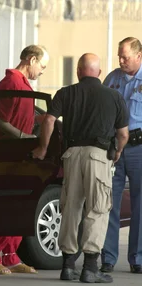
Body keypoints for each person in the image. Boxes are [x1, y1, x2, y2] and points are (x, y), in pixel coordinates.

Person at [32, 53, 129, 283]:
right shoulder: (114, 96)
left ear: (78, 71)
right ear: (99, 72)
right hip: (99, 156)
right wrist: (117, 153)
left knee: (71, 208)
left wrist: (43, 149)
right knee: (97, 209)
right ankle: (90, 268)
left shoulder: (65, 93)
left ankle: (67, 266)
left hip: (72, 156)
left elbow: (48, 120)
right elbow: (123, 134)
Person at [0, 45, 49, 275]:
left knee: (20, 205)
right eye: (42, 66)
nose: (42, 71)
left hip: (21, 155)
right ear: (31, 60)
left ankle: (10, 255)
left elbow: (21, 115)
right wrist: (21, 135)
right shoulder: (11, 83)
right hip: (6, 154)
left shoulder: (24, 85)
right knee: (6, 207)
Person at [101, 37, 142, 274]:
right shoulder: (112, 78)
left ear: (138, 56)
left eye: (125, 56)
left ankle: (137, 258)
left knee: (139, 205)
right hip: (114, 148)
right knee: (109, 203)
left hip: (138, 148)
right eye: (119, 56)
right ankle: (108, 257)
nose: (121, 60)